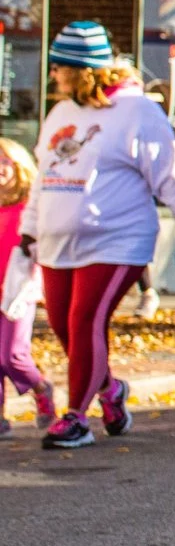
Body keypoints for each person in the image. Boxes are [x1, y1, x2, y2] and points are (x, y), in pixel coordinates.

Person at [30, 20, 175, 449]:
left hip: (117, 240)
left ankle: (76, 418)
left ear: (82, 69)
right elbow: (43, 177)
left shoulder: (137, 112)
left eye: (59, 67)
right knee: (63, 328)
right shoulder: (62, 112)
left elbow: (172, 174)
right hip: (58, 243)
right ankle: (111, 393)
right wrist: (27, 234)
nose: (53, 75)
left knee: (85, 319)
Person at [0, 136, 55, 430]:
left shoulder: (28, 209)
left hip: (17, 289)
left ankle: (41, 388)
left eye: (5, 160)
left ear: (20, 166)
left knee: (12, 355)